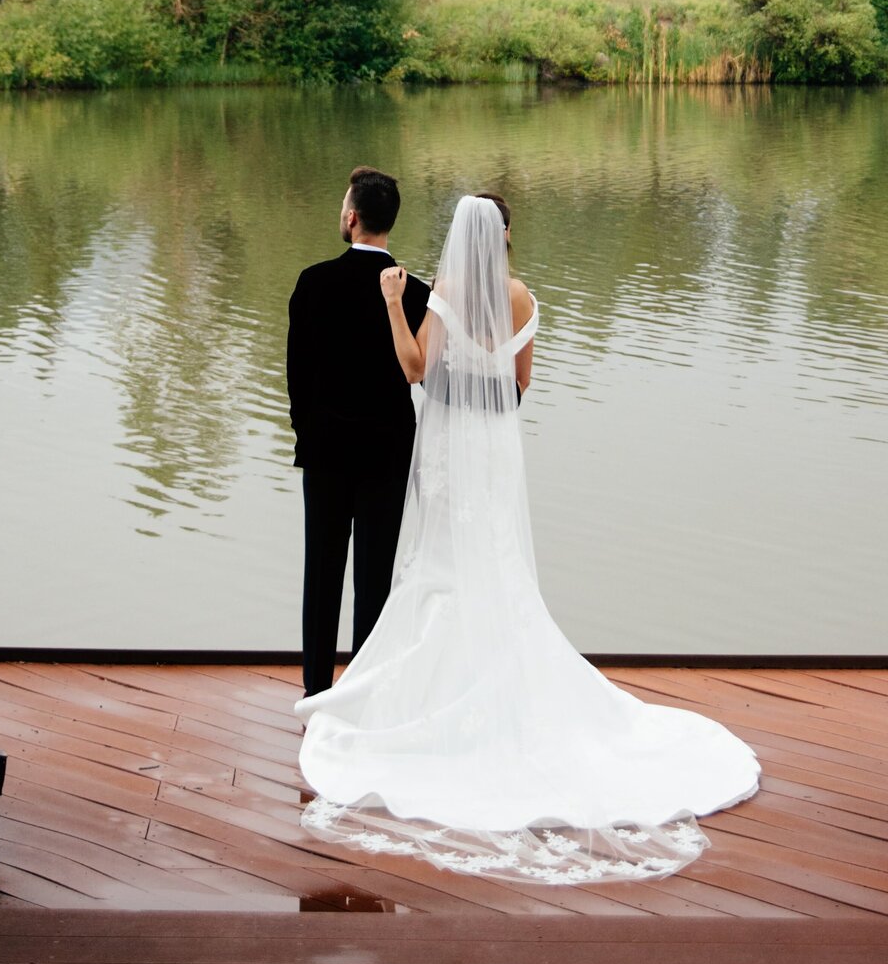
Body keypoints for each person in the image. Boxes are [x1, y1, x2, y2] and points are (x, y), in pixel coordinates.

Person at [294, 193, 760, 884]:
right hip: (495, 454)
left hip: (451, 447)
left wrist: (396, 303)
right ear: (507, 236)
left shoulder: (443, 291)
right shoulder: (524, 298)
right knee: (496, 566)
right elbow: (519, 385)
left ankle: (415, 696)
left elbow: (418, 369)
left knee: (441, 565)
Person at [287, 166, 430, 699]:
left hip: (325, 453)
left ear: (351, 218)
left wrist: (309, 437)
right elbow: (420, 372)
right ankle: (363, 695)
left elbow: (296, 377)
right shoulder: (415, 292)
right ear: (388, 222)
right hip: (386, 453)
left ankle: (316, 694)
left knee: (321, 575)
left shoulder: (313, 281)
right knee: (374, 577)